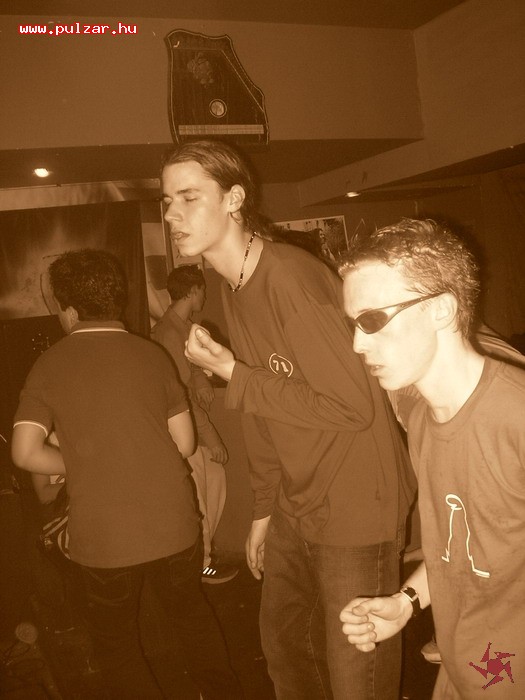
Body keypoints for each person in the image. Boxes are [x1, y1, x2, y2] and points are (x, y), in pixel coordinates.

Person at [161, 139, 416, 699]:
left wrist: (233, 372)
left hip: (354, 506)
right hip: (296, 507)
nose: (173, 214)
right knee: (288, 657)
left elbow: (352, 406)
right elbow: (263, 411)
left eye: (188, 197)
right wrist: (263, 508)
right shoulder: (233, 288)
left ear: (234, 199)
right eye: (167, 201)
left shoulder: (291, 280)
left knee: (356, 678)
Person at [11, 249, 242, 699]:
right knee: (192, 620)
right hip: (175, 525)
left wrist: (80, 462)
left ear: (70, 311)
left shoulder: (49, 364)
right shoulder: (153, 355)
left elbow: (24, 452)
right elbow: (185, 444)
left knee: (116, 645)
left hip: (105, 538)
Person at [338, 218, 525, 699]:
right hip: (463, 674)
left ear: (442, 308)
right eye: (353, 324)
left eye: (372, 320)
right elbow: (459, 552)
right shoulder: (422, 418)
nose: (358, 343)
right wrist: (406, 602)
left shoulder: (516, 416)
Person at [151, 264, 238, 584]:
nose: (205, 296)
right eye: (202, 289)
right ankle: (201, 564)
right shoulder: (169, 333)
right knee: (199, 496)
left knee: (213, 482)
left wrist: (201, 378)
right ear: (192, 291)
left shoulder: (184, 328)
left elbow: (192, 373)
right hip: (185, 431)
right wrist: (212, 437)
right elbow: (181, 395)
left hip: (193, 428)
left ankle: (204, 556)